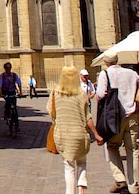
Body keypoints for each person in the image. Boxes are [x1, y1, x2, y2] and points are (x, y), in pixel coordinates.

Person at [49, 65, 104, 194]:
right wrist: (96, 134)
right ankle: (81, 186)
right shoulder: (81, 94)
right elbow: (88, 117)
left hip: (63, 134)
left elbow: (52, 113)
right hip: (79, 134)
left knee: (68, 167)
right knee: (82, 161)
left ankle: (70, 192)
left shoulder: (55, 92)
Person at [95, 51, 139, 194]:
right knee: (133, 150)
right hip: (132, 115)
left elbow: (101, 94)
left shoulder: (105, 74)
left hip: (115, 118)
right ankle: (134, 186)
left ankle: (120, 179)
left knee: (112, 146)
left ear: (105, 62)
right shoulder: (131, 73)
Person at [0, 62, 23, 127]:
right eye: (6, 68)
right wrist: (1, 93)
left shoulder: (14, 75)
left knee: (14, 108)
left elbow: (19, 83)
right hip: (5, 92)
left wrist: (20, 92)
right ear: (5, 69)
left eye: (9, 68)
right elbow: (0, 85)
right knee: (8, 103)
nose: (8, 69)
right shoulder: (2, 76)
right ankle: (6, 114)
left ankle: (17, 125)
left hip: (12, 91)